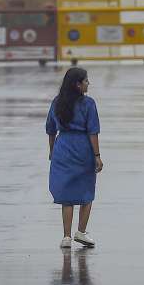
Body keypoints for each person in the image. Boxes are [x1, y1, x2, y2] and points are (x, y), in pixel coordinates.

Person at [47, 67, 103, 248]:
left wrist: (52, 150)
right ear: (77, 85)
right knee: (86, 192)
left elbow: (50, 129)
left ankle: (66, 237)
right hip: (82, 148)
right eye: (86, 81)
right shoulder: (88, 104)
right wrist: (97, 155)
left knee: (67, 195)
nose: (88, 84)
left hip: (62, 147)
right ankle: (81, 232)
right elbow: (93, 131)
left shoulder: (57, 103)